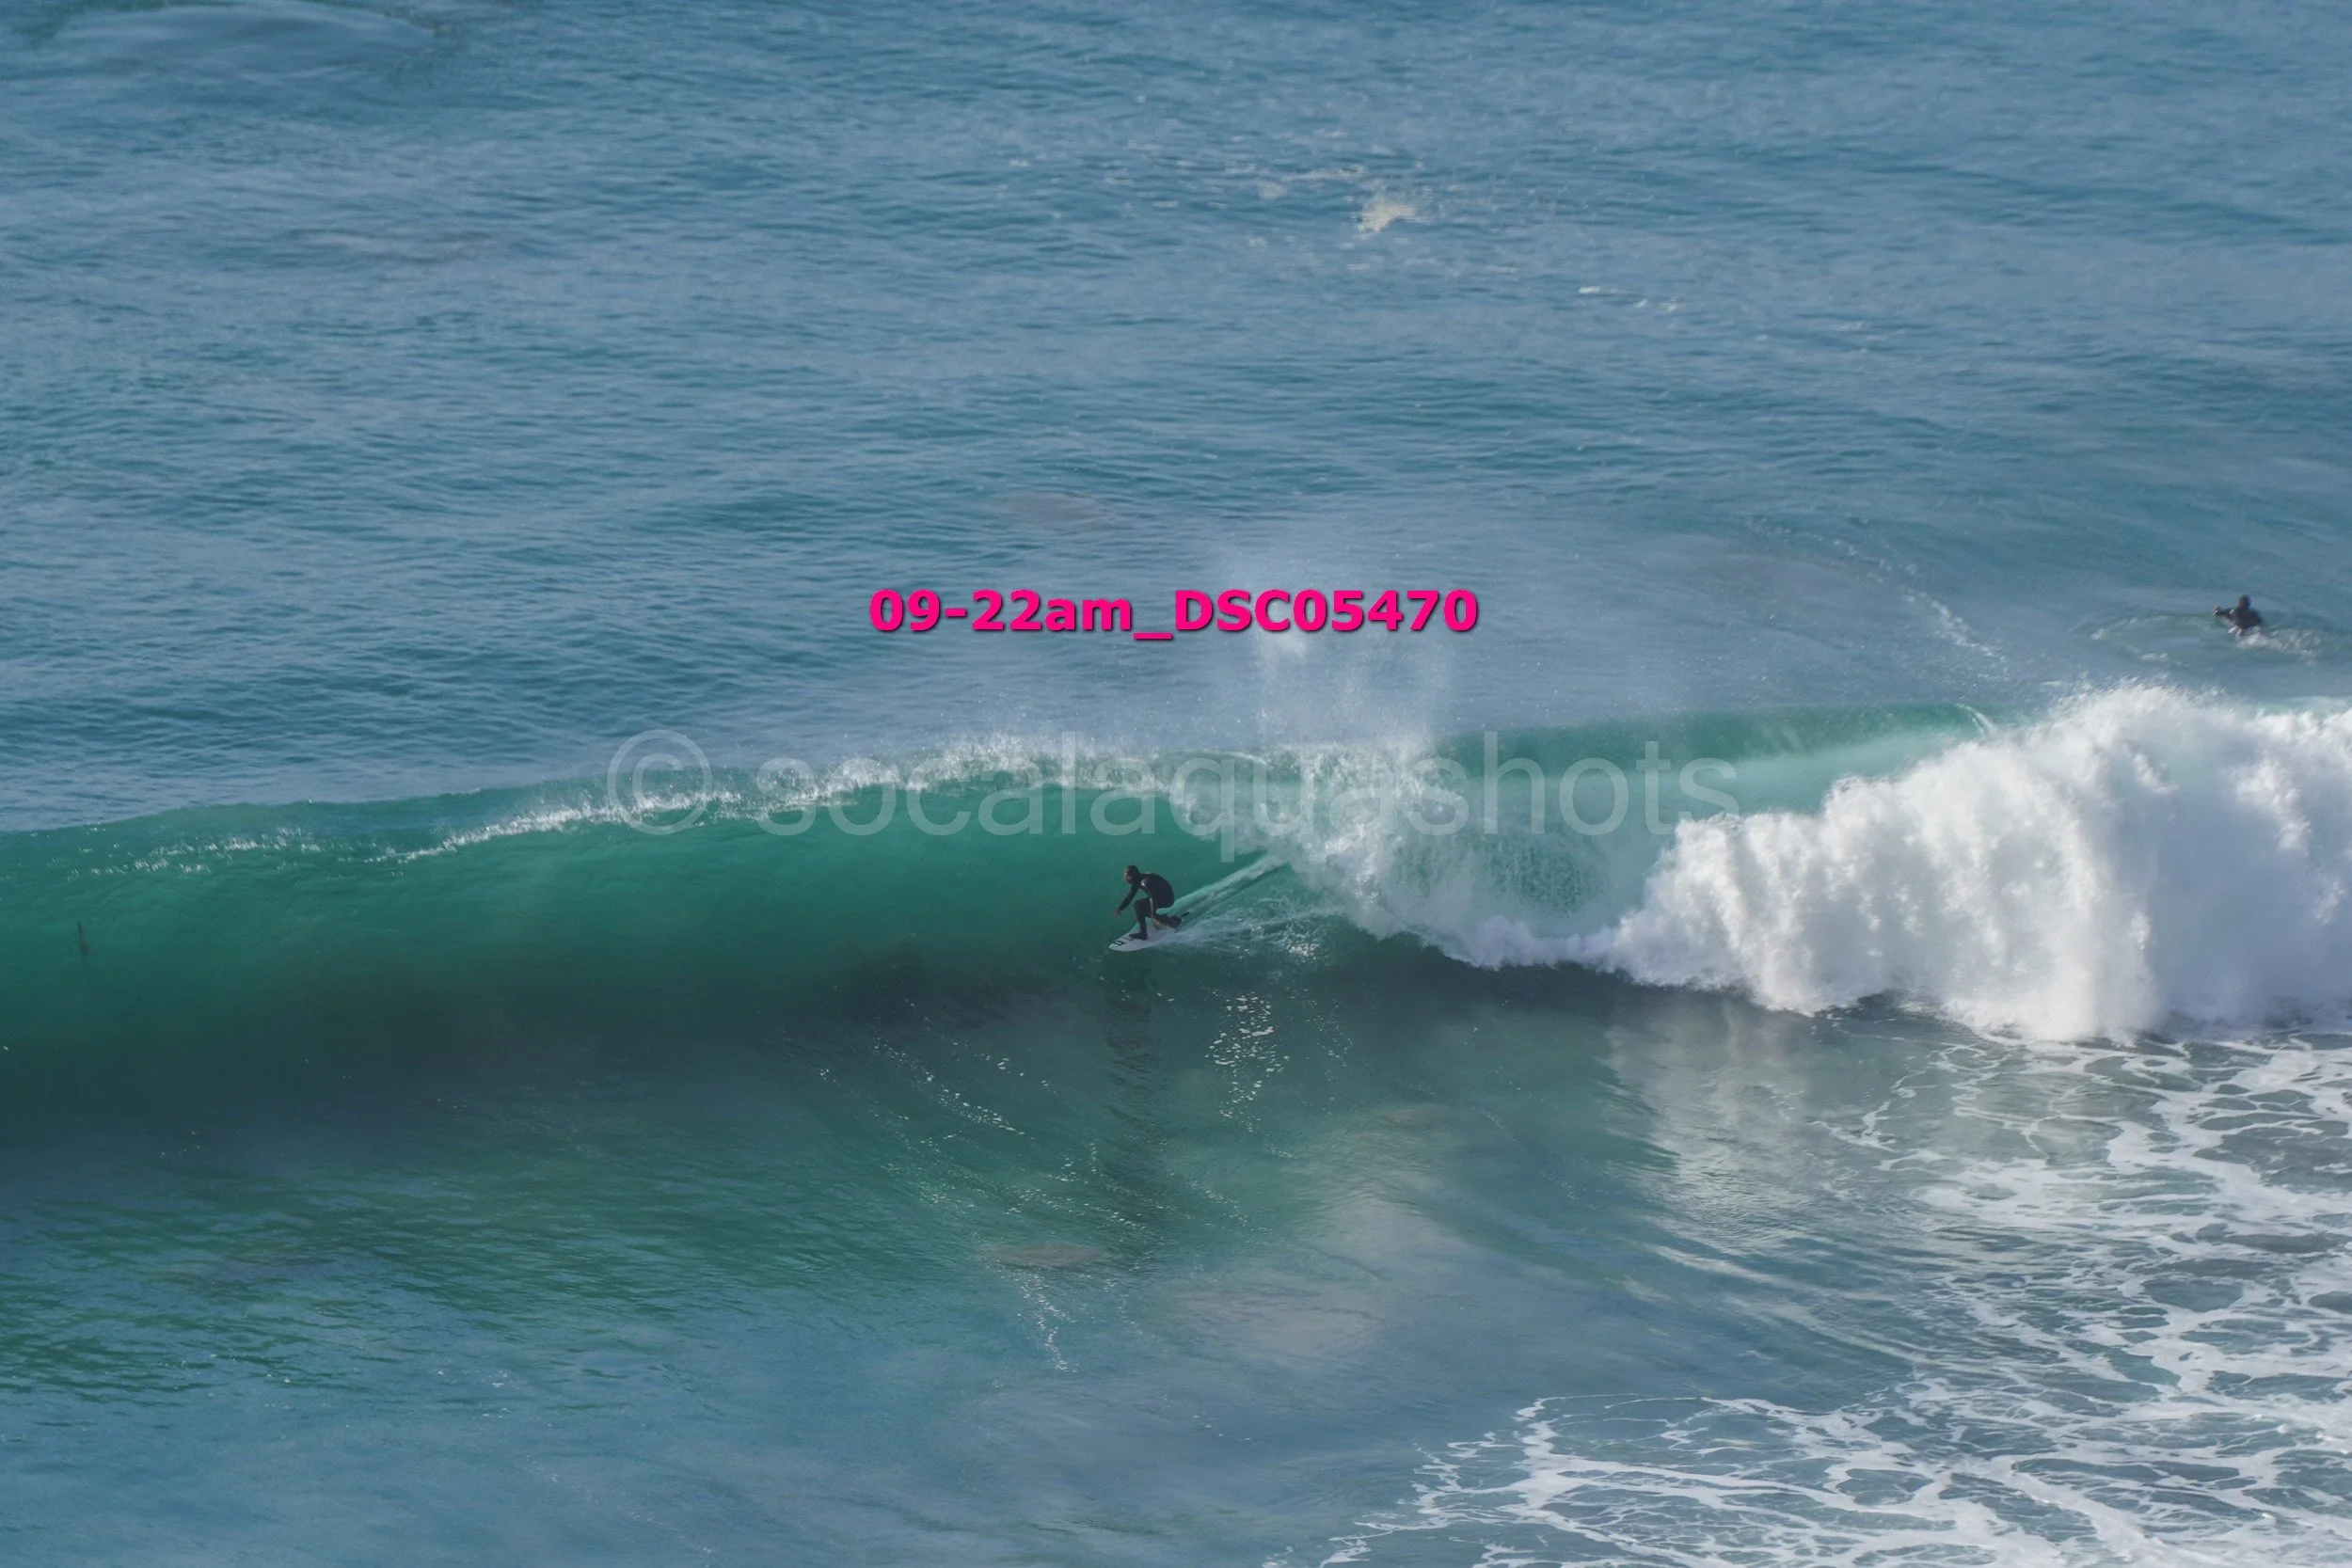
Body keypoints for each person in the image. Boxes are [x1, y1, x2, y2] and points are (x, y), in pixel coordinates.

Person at [1117, 864, 1182, 942]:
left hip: (1166, 899)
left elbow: (1152, 899)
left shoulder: (1145, 881)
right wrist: (1120, 908)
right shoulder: (1138, 879)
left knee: (1139, 905)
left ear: (1130, 876)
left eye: (1126, 876)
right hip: (1163, 897)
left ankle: (1143, 933)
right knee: (1143, 908)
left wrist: (1153, 915)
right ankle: (1168, 920)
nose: (1126, 879)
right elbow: (1130, 896)